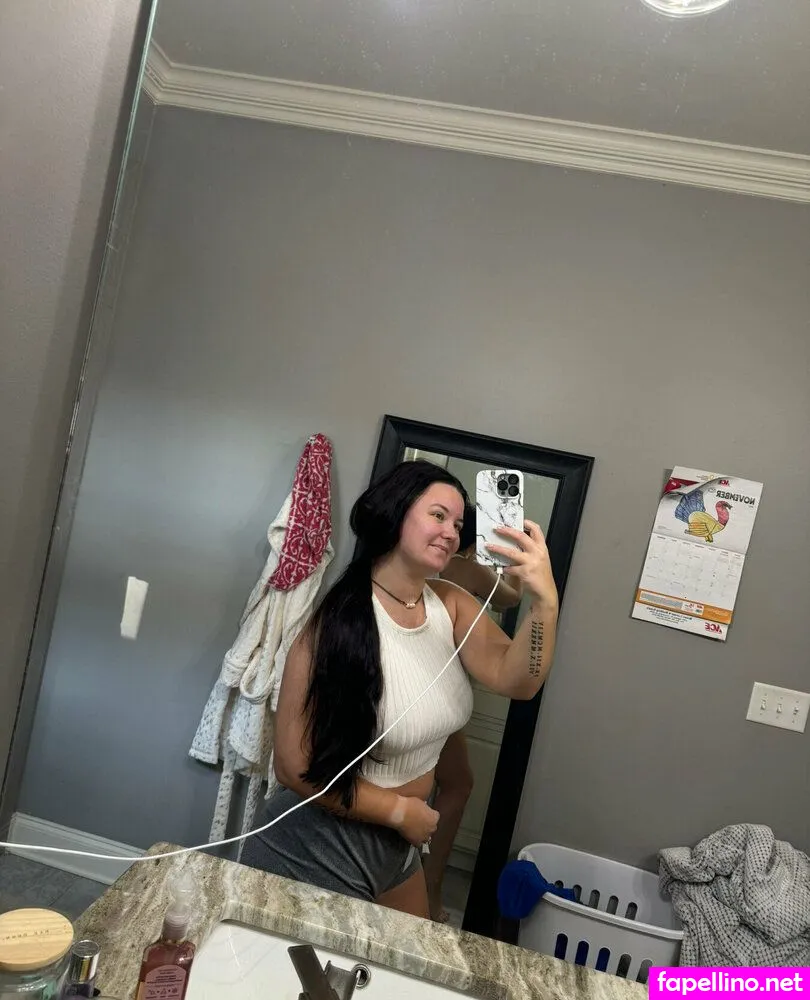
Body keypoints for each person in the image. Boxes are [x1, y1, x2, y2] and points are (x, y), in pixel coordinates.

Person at [241, 460, 558, 919]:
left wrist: (545, 602)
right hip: (317, 843)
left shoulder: (451, 605)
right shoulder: (336, 623)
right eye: (438, 516)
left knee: (409, 958)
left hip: (399, 843)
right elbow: (293, 768)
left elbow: (518, 681)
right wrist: (398, 812)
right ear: (395, 513)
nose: (451, 533)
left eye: (458, 525)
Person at [424, 503, 524, 922]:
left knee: (443, 782)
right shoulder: (467, 568)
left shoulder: (428, 566)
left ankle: (423, 887)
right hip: (436, 690)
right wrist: (515, 555)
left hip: (430, 686)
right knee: (458, 784)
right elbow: (512, 597)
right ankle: (428, 889)